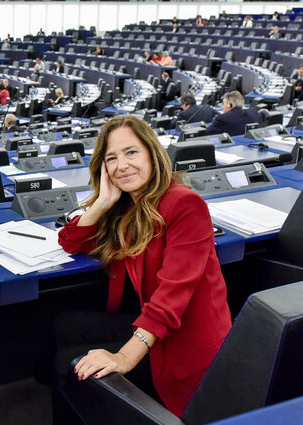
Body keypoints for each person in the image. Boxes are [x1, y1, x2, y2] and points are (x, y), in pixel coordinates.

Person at [56, 115, 231, 417]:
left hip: (184, 345)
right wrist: (103, 200)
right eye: (111, 158)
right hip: (154, 326)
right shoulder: (128, 206)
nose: (121, 165)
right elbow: (71, 241)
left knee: (68, 364)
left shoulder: (185, 205)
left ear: (152, 153)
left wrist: (122, 358)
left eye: (131, 152)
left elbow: (170, 300)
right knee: (62, 326)